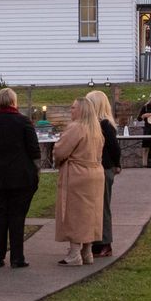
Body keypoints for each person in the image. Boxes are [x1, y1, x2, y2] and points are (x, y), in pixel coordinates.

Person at [0, 87, 39, 268]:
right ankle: (17, 257)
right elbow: (34, 151)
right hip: (21, 178)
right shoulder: (24, 122)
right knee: (17, 217)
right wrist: (36, 172)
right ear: (14, 102)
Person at [53, 96, 105, 265]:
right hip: (95, 173)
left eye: (73, 107)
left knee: (75, 212)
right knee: (91, 212)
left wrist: (58, 160)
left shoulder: (76, 127)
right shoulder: (96, 129)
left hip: (77, 174)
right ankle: (87, 251)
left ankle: (75, 252)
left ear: (81, 110)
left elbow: (61, 151)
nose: (71, 110)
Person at [85, 89, 121, 258]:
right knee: (94, 207)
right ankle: (95, 241)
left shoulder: (104, 125)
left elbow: (114, 148)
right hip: (95, 168)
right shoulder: (94, 125)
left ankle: (105, 243)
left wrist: (116, 164)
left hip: (104, 168)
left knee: (102, 206)